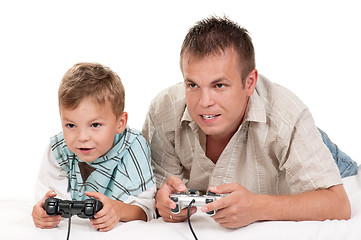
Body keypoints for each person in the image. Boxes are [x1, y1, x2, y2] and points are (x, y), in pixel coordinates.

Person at [142, 16, 358, 229]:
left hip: (312, 151)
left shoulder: (287, 116)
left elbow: (338, 204)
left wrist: (257, 207)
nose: (204, 102)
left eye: (219, 85)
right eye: (193, 85)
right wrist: (166, 204)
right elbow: (158, 196)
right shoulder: (163, 113)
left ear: (249, 82)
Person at [32, 62, 156, 232]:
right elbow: (49, 203)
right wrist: (43, 214)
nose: (82, 138)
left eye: (95, 125)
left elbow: (148, 209)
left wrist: (119, 210)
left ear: (120, 123)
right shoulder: (59, 151)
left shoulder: (134, 148)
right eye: (70, 125)